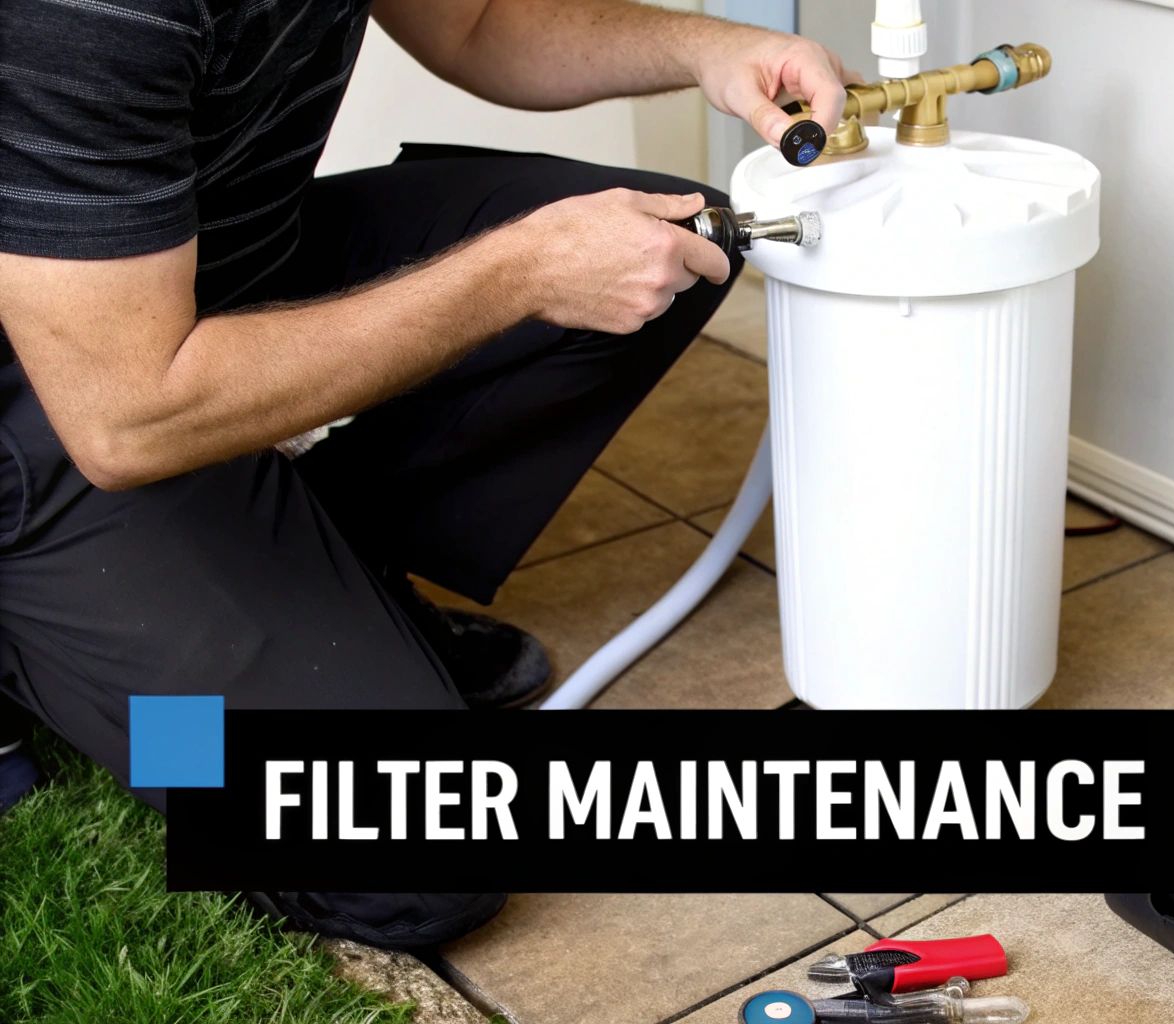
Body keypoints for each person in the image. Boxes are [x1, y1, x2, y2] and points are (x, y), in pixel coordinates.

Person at [0, 0, 851, 947]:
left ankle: (333, 573)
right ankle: (73, 683)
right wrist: (513, 275)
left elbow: (476, 26)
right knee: (415, 860)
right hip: (64, 395)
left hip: (199, 267)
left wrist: (712, 48)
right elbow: (124, 422)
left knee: (679, 243)